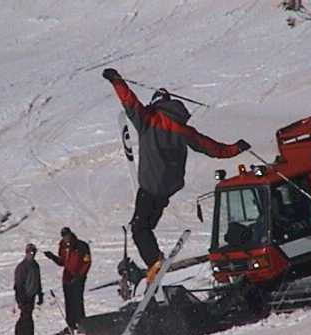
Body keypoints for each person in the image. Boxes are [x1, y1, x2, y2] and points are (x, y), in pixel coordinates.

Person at [102, 67, 250, 281]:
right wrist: (236, 148)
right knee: (148, 225)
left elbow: (130, 103)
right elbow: (213, 149)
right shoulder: (183, 130)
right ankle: (155, 259)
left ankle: (154, 261)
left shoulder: (148, 120)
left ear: (155, 104)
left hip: (151, 185)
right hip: (168, 189)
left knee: (139, 228)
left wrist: (117, 81)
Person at [44, 227, 91, 335]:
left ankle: (81, 324)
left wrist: (80, 275)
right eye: (64, 236)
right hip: (67, 277)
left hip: (78, 277)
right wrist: (52, 257)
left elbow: (87, 262)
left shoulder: (81, 245)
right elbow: (62, 262)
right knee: (69, 301)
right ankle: (71, 324)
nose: (66, 238)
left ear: (71, 234)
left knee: (77, 300)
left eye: (67, 235)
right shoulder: (63, 246)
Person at [13, 243, 43, 335]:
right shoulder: (22, 267)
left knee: (27, 316)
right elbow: (18, 284)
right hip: (23, 295)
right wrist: (20, 298)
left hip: (32, 295)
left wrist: (40, 294)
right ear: (26, 253)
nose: (32, 254)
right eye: (30, 252)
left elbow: (38, 281)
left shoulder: (35, 265)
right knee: (26, 316)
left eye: (34, 252)